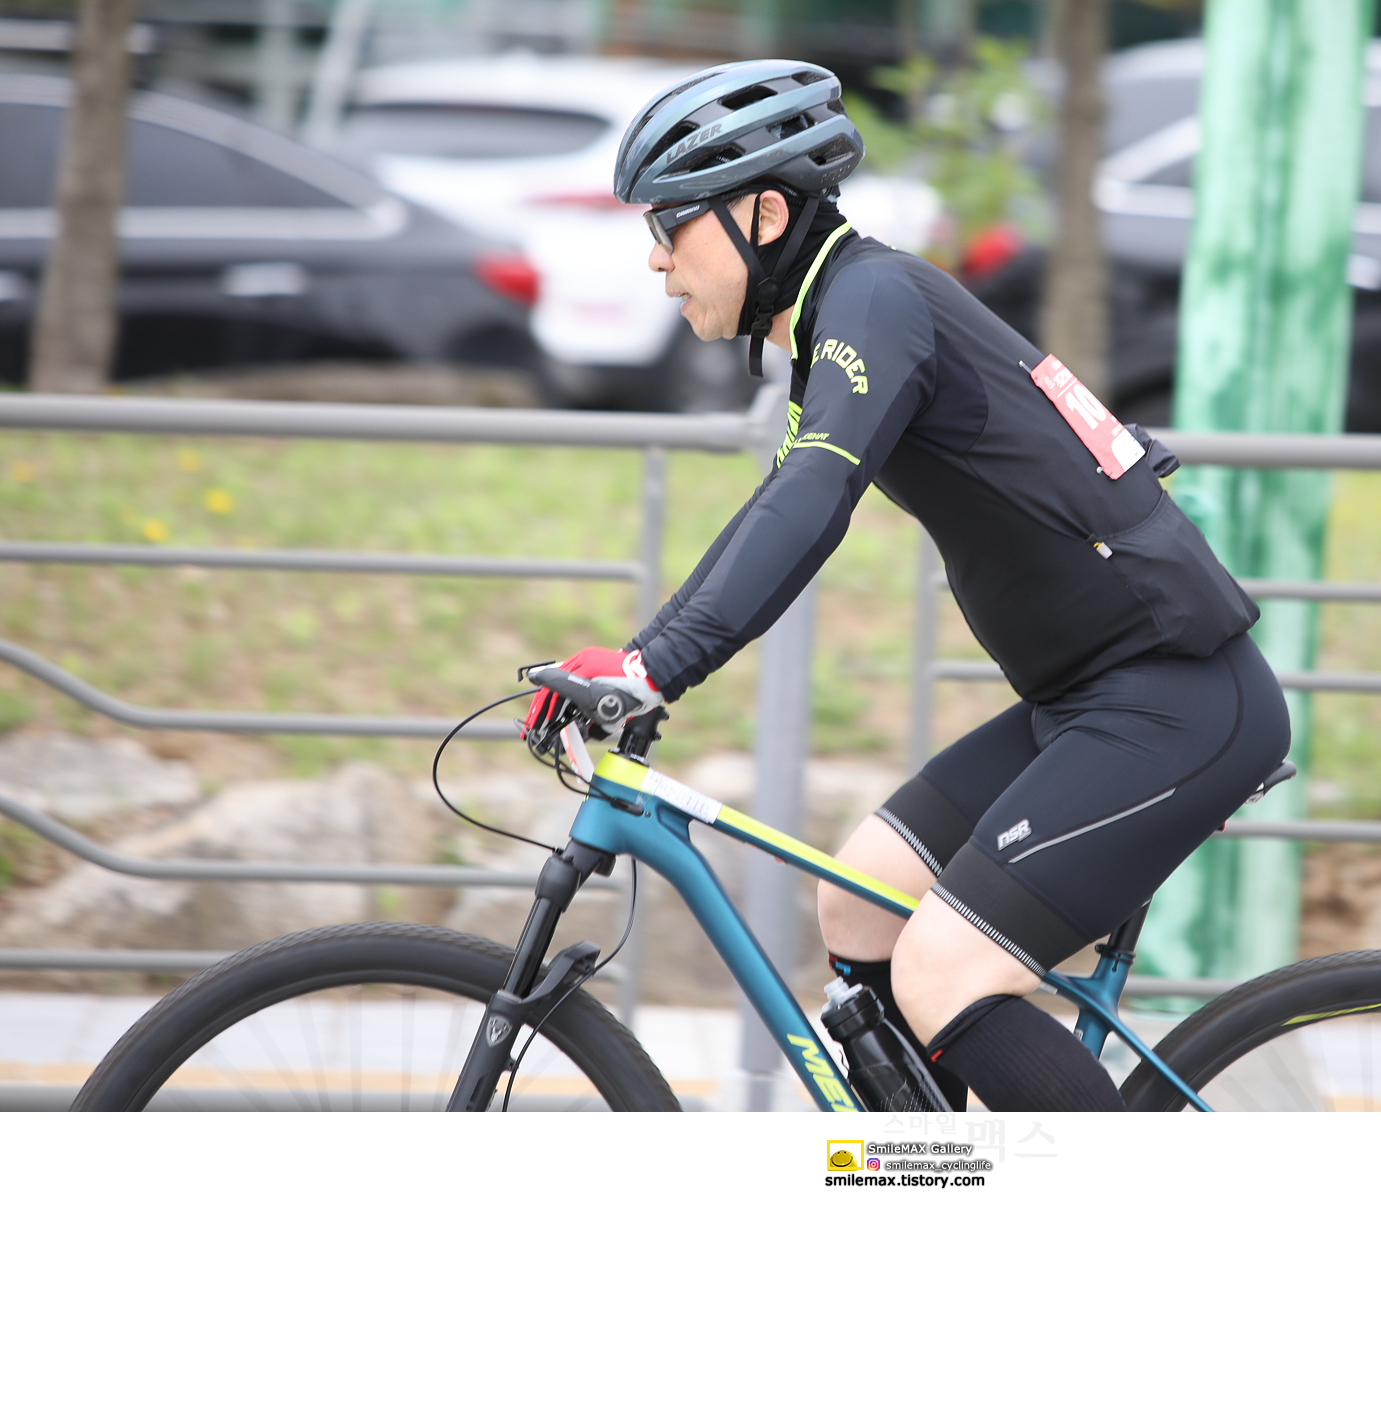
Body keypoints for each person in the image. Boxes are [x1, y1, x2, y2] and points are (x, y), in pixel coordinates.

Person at [523, 59, 1290, 1111]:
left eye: (671, 225)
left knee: (943, 972)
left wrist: (654, 667)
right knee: (862, 905)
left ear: (762, 214)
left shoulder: (875, 301)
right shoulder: (848, 316)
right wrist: (646, 655)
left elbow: (812, 502)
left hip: (1175, 705)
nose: (657, 258)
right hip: (1087, 702)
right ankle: (924, 1174)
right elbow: (781, 503)